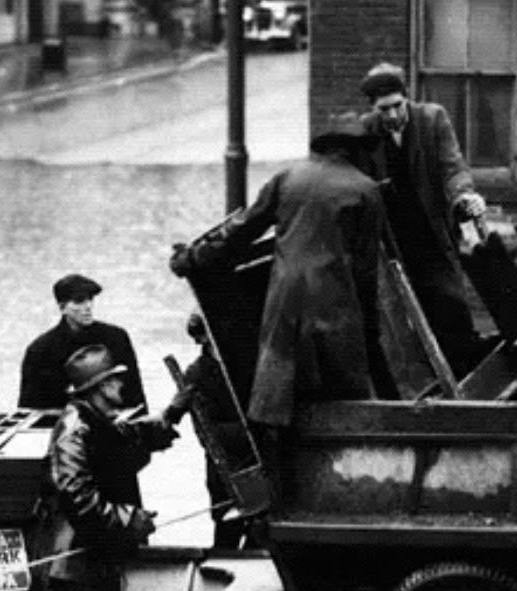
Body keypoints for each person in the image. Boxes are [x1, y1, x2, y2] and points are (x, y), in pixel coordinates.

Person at [170, 114, 388, 434]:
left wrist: (191, 259)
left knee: (278, 401)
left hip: (284, 303)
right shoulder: (366, 190)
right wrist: (371, 331)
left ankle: (280, 462)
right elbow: (366, 271)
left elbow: (240, 232)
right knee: (342, 399)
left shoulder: (288, 178)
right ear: (357, 150)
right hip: (335, 304)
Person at [36, 344, 170, 591]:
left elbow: (121, 447)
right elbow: (78, 499)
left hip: (86, 556)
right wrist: (131, 520)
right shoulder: (74, 431)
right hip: (73, 559)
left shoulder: (96, 420)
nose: (121, 383)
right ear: (97, 387)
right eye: (113, 379)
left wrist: (159, 427)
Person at [358, 62, 488, 376]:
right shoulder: (366, 129)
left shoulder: (433, 119)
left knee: (450, 303)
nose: (391, 116)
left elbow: (452, 167)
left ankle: (465, 378)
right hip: (392, 238)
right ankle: (425, 379)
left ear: (407, 97)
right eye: (382, 110)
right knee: (403, 315)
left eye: (396, 106)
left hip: (431, 231)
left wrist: (464, 196)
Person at [161, 310, 252, 549]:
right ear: (202, 339)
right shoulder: (197, 373)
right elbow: (207, 431)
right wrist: (250, 432)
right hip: (224, 466)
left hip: (256, 462)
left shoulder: (245, 364)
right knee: (226, 532)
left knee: (260, 533)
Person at [18, 274, 146, 412]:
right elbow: (30, 408)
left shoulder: (116, 338)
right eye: (79, 301)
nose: (88, 306)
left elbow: (135, 395)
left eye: (90, 299)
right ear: (62, 307)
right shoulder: (40, 350)